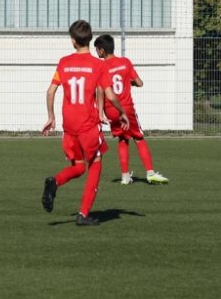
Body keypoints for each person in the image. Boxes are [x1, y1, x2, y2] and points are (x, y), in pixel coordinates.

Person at [41, 20, 130, 226]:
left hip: (69, 126)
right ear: (90, 39)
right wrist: (122, 112)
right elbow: (110, 94)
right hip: (87, 124)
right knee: (96, 164)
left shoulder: (64, 63)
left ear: (73, 41)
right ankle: (83, 214)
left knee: (79, 167)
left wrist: (51, 117)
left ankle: (55, 182)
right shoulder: (98, 65)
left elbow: (51, 91)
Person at [93, 34, 169, 185]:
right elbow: (139, 82)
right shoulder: (125, 62)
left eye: (96, 49)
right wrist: (129, 83)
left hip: (110, 109)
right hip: (125, 108)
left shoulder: (100, 67)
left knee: (122, 139)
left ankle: (125, 176)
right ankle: (150, 173)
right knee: (138, 138)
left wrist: (100, 113)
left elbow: (100, 91)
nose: (96, 52)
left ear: (102, 50)